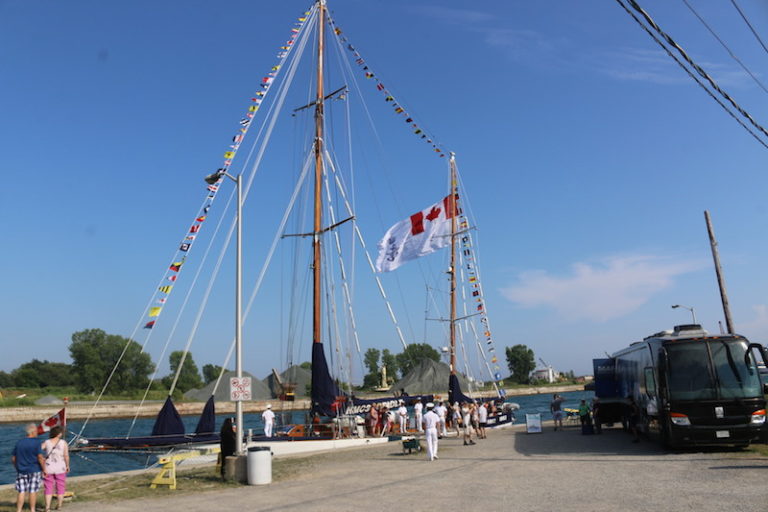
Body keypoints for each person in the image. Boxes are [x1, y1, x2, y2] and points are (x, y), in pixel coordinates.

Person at [12, 423, 46, 512]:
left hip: (21, 470)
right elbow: (40, 457)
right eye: (36, 431)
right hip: (34, 470)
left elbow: (13, 458)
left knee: (21, 491)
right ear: (33, 431)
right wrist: (44, 469)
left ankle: (19, 510)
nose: (37, 432)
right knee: (32, 490)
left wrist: (17, 467)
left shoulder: (19, 442)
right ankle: (32, 509)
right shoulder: (37, 442)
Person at [42, 426, 69, 512]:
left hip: (49, 467)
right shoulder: (63, 443)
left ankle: (47, 508)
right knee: (60, 487)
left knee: (48, 487)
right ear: (59, 434)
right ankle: (59, 505)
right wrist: (67, 465)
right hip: (60, 467)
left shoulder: (46, 442)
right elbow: (66, 456)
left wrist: (43, 458)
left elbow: (38, 450)